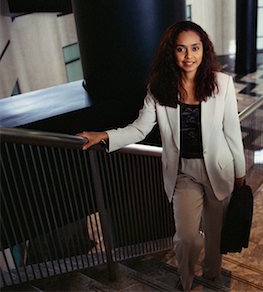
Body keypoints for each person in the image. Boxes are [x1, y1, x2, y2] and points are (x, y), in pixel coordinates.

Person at [77, 21, 246, 291]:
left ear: (204, 50)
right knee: (187, 237)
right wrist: (106, 136)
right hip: (183, 173)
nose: (189, 56)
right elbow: (140, 128)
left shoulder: (222, 85)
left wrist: (240, 173)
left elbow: (232, 133)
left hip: (220, 169)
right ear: (172, 52)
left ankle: (212, 272)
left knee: (215, 234)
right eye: (181, 49)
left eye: (195, 48)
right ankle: (186, 279)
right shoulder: (159, 88)